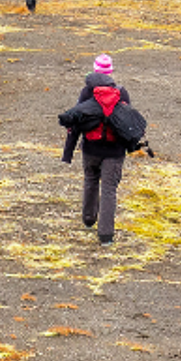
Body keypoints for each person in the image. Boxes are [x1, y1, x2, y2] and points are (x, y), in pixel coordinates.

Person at [61, 54, 132, 244]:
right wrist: (128, 147)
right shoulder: (122, 93)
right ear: (110, 72)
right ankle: (106, 236)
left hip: (90, 149)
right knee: (109, 189)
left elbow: (75, 123)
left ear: (94, 70)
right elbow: (128, 124)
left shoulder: (86, 93)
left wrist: (68, 153)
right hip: (114, 152)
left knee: (90, 181)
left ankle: (88, 219)